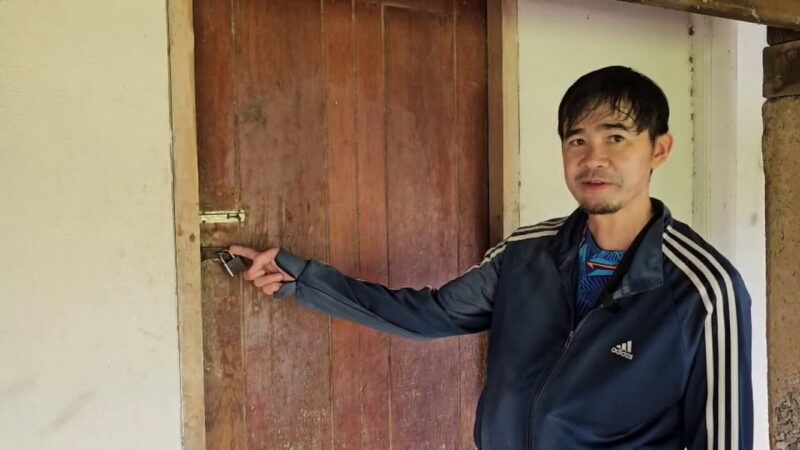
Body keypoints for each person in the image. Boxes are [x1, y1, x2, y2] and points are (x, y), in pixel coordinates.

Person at [228, 66, 753, 449]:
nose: (594, 158)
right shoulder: (526, 254)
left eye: (616, 138)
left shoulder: (703, 288)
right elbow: (427, 315)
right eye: (577, 140)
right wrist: (302, 280)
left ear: (659, 149)